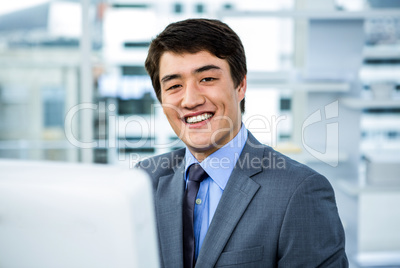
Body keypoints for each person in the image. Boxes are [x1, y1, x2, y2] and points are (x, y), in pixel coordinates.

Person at [137, 18, 348, 268]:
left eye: (207, 79)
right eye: (174, 86)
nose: (190, 100)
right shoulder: (141, 182)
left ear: (240, 85)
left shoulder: (299, 192)